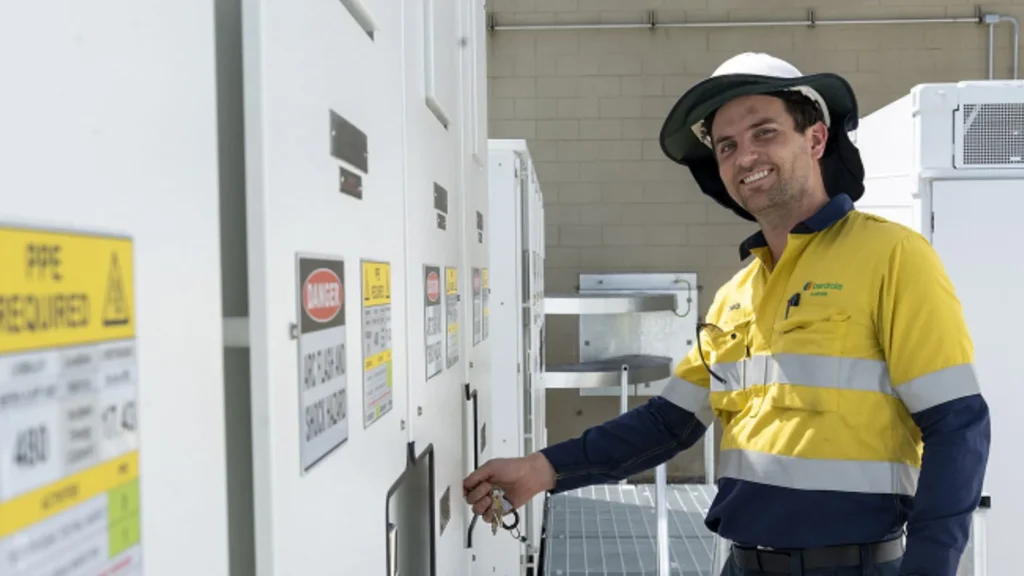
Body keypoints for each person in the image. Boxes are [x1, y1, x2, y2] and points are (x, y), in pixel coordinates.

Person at [463, 52, 991, 576]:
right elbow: (667, 424)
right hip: (740, 564)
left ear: (815, 139)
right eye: (727, 146)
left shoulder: (893, 257)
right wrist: (543, 468)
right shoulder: (737, 292)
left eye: (764, 133)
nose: (744, 157)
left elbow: (957, 425)